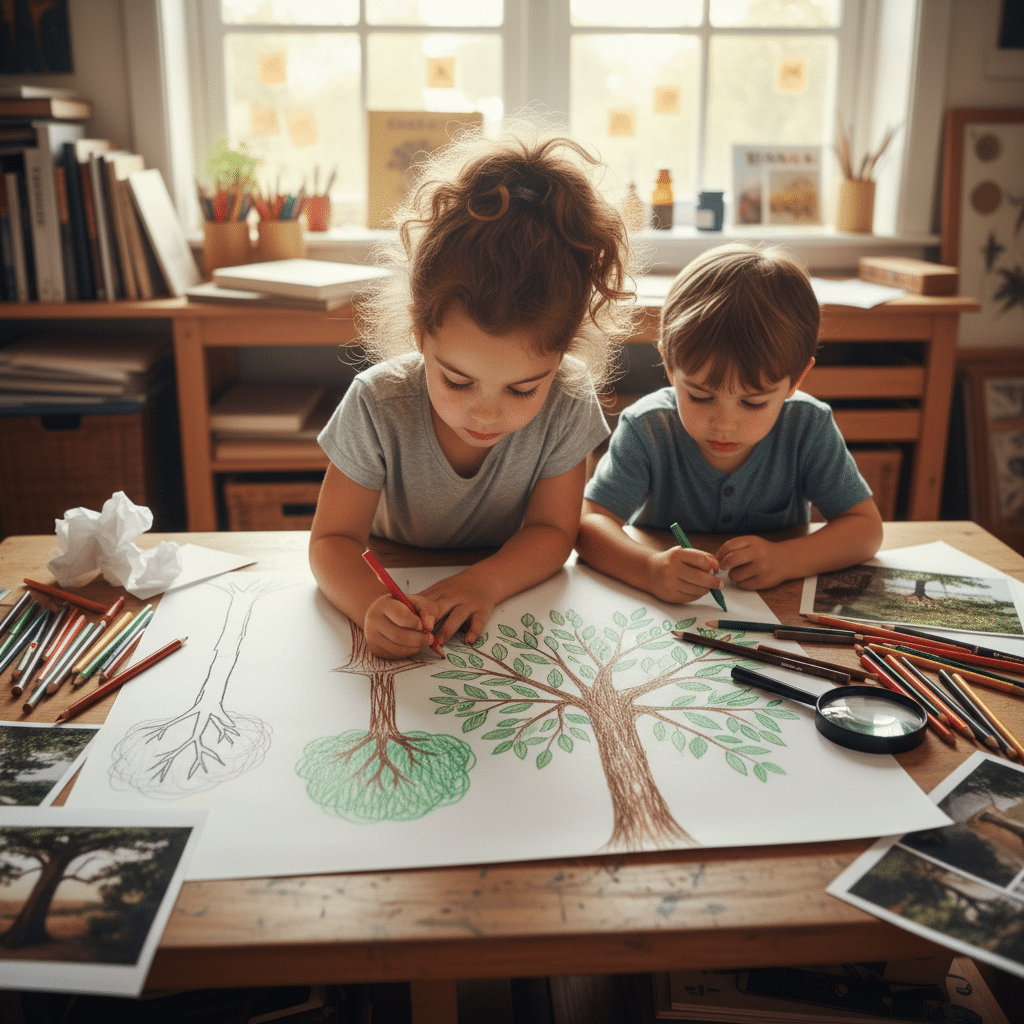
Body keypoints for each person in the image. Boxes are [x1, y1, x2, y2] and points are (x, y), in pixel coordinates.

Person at [310, 125, 636, 659]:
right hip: (395, 571)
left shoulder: (568, 399)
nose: (487, 412)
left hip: (507, 586)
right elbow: (332, 542)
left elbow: (554, 531)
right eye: (457, 381)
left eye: (524, 389)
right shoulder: (376, 403)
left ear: (561, 357)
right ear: (421, 336)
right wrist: (369, 606)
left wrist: (481, 585)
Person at [576, 241, 883, 604]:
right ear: (670, 367)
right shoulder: (648, 428)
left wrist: (787, 560)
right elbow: (589, 524)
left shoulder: (808, 427)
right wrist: (649, 568)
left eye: (753, 403)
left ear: (796, 381)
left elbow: (865, 530)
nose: (724, 424)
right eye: (701, 396)